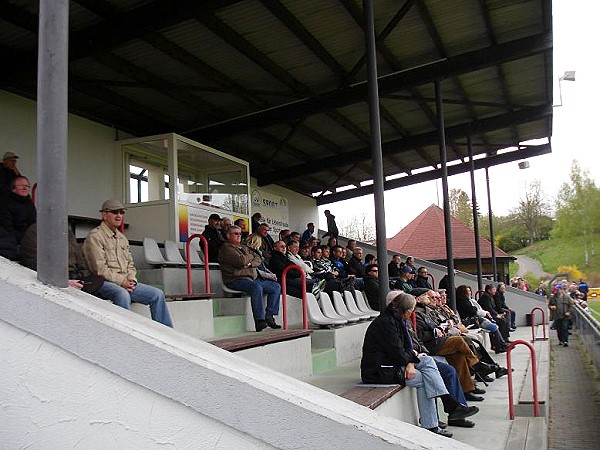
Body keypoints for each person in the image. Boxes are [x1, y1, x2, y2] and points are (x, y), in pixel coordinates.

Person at [361, 291, 477, 437]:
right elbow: (398, 354)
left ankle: (440, 414)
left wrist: (411, 361)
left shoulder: (396, 319)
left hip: (394, 364)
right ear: (407, 311)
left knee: (427, 363)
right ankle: (441, 414)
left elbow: (407, 348)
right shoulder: (386, 324)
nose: (412, 313)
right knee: (424, 377)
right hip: (380, 371)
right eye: (412, 311)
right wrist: (411, 359)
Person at [82, 200, 173, 327]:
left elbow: (130, 264)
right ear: (104, 215)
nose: (119, 215)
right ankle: (126, 335)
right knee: (122, 294)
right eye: (114, 212)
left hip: (125, 282)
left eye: (121, 212)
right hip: (101, 283)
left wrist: (131, 280)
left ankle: (167, 336)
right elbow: (100, 269)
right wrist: (122, 282)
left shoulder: (122, 238)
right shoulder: (95, 236)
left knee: (157, 295)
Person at [218, 225, 281, 332]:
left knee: (276, 286)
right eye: (235, 234)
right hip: (235, 280)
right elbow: (241, 261)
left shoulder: (244, 247)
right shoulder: (226, 248)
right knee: (256, 287)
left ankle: (269, 316)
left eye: (240, 234)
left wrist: (250, 262)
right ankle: (259, 320)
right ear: (228, 235)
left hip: (251, 278)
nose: (238, 236)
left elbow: (258, 259)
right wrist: (250, 259)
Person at [19, 223, 104, 296]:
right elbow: (33, 265)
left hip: (77, 279)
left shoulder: (67, 231)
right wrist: (64, 282)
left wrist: (82, 277)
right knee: (115, 291)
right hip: (57, 283)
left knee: (108, 287)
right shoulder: (36, 231)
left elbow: (80, 261)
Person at [0, 176, 36, 260]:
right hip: (10, 241)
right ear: (13, 188)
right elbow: (7, 228)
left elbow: (33, 224)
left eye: (27, 186)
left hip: (26, 240)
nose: (25, 188)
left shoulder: (30, 205)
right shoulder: (6, 204)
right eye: (21, 186)